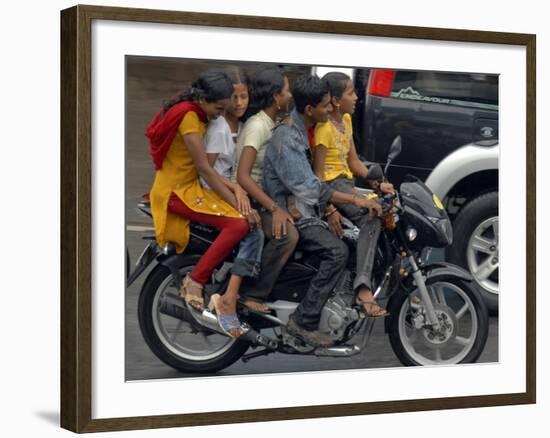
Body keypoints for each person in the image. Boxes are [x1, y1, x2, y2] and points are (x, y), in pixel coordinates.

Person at [263, 74, 383, 347]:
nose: (330, 110)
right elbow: (311, 187)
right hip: (291, 211)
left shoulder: (303, 128)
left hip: (305, 207)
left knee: (350, 242)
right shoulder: (289, 138)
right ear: (309, 110)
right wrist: (353, 202)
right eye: (326, 105)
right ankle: (303, 321)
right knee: (336, 251)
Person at [146, 70, 254, 337]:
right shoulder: (190, 119)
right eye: (218, 108)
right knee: (239, 225)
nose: (220, 114)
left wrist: (234, 189)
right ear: (203, 100)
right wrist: (238, 205)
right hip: (177, 191)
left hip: (186, 186)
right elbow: (205, 169)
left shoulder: (194, 110)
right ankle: (195, 280)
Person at [313, 71, 395, 317]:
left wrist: (379, 184)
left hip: (346, 182)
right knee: (372, 214)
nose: (357, 97)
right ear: (336, 100)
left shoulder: (346, 121)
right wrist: (330, 207)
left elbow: (354, 163)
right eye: (351, 93)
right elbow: (316, 176)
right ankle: (362, 287)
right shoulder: (324, 129)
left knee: (392, 207)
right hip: (332, 187)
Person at [200, 68, 266, 313]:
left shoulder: (245, 125)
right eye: (234, 97)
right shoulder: (219, 128)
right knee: (254, 231)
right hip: (214, 189)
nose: (239, 103)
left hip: (231, 187)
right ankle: (232, 295)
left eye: (244, 97)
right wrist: (236, 187)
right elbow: (206, 170)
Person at [233, 67, 299, 309]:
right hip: (249, 200)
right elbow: (243, 176)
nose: (289, 95)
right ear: (275, 97)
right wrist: (275, 209)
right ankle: (252, 294)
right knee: (287, 236)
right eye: (286, 90)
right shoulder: (257, 126)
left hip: (265, 198)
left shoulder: (274, 123)